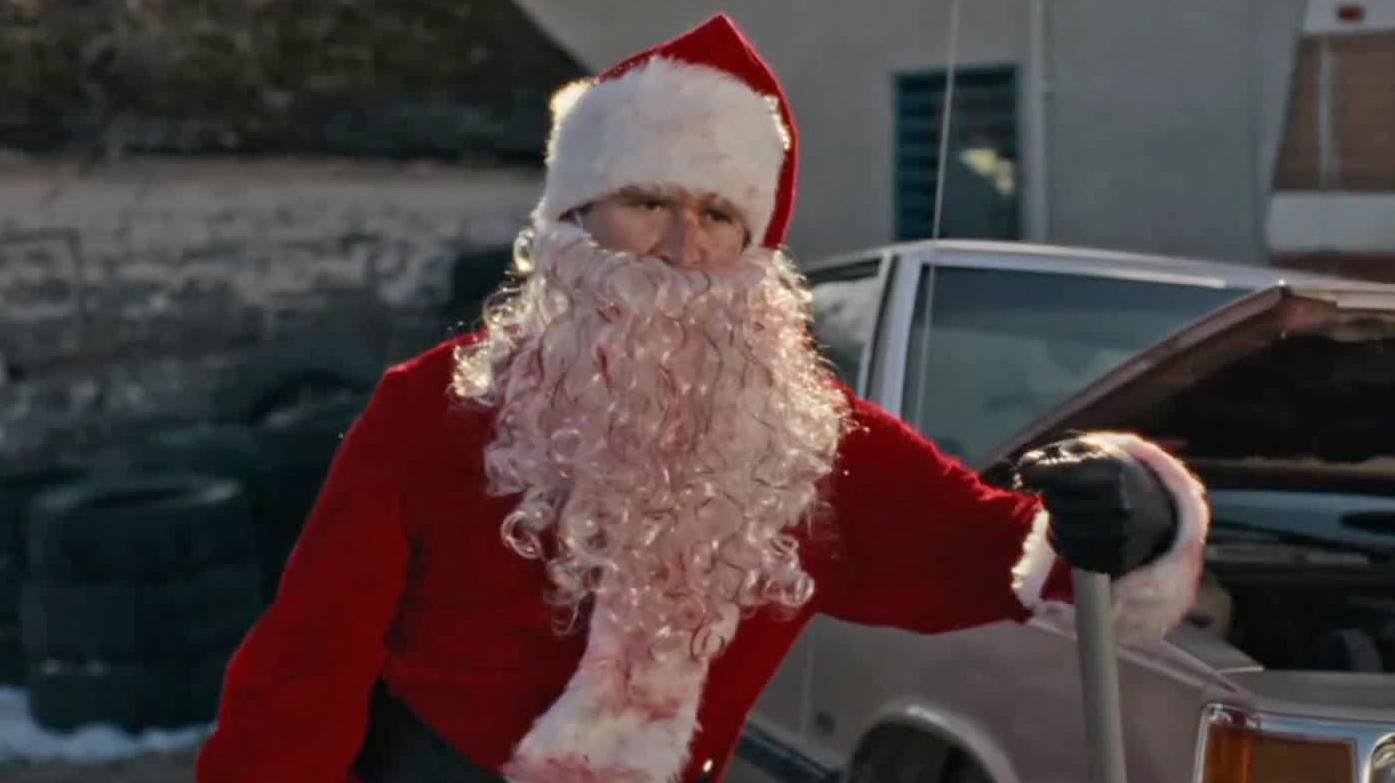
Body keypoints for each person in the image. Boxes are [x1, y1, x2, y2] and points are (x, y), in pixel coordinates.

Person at [197, 15, 1208, 783]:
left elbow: (996, 552)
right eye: (650, 201)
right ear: (575, 217)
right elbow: (307, 660)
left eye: (721, 215)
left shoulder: (802, 437)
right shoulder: (436, 403)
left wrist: (1137, 510)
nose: (685, 246)